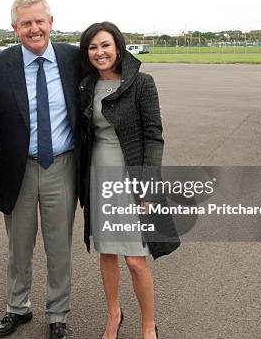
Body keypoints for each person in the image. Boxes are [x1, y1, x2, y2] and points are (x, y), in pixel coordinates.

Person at [0, 0, 81, 339]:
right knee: (19, 246)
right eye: (26, 23)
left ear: (51, 23)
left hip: (62, 165)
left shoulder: (73, 57)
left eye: (40, 21)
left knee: (59, 246)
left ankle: (58, 314)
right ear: (15, 28)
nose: (34, 28)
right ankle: (17, 308)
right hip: (18, 167)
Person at [78, 22, 180, 339]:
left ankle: (148, 323)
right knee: (107, 253)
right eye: (93, 47)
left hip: (131, 179)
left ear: (118, 48)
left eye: (105, 45)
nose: (100, 52)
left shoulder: (142, 84)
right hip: (98, 177)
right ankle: (114, 315)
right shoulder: (84, 86)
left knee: (135, 259)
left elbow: (154, 137)